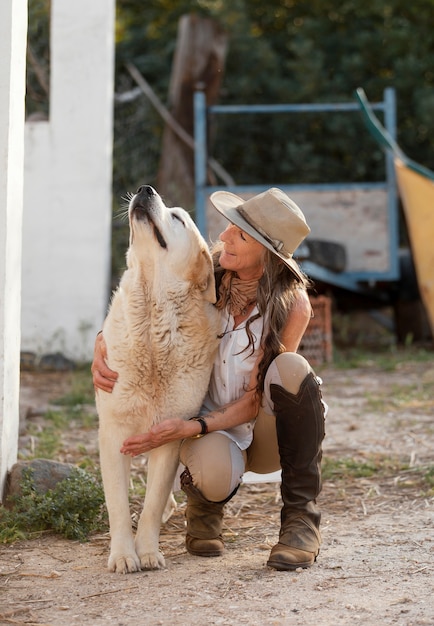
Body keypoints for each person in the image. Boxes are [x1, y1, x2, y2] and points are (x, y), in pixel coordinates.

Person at [92, 187, 326, 571]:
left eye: (239, 233)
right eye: (228, 228)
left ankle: (301, 519)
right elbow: (146, 303)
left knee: (292, 369)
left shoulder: (293, 305)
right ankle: (204, 509)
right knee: (213, 471)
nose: (223, 236)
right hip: (209, 438)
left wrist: (190, 424)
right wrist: (104, 342)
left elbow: (255, 398)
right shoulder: (203, 279)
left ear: (265, 253)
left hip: (260, 430)